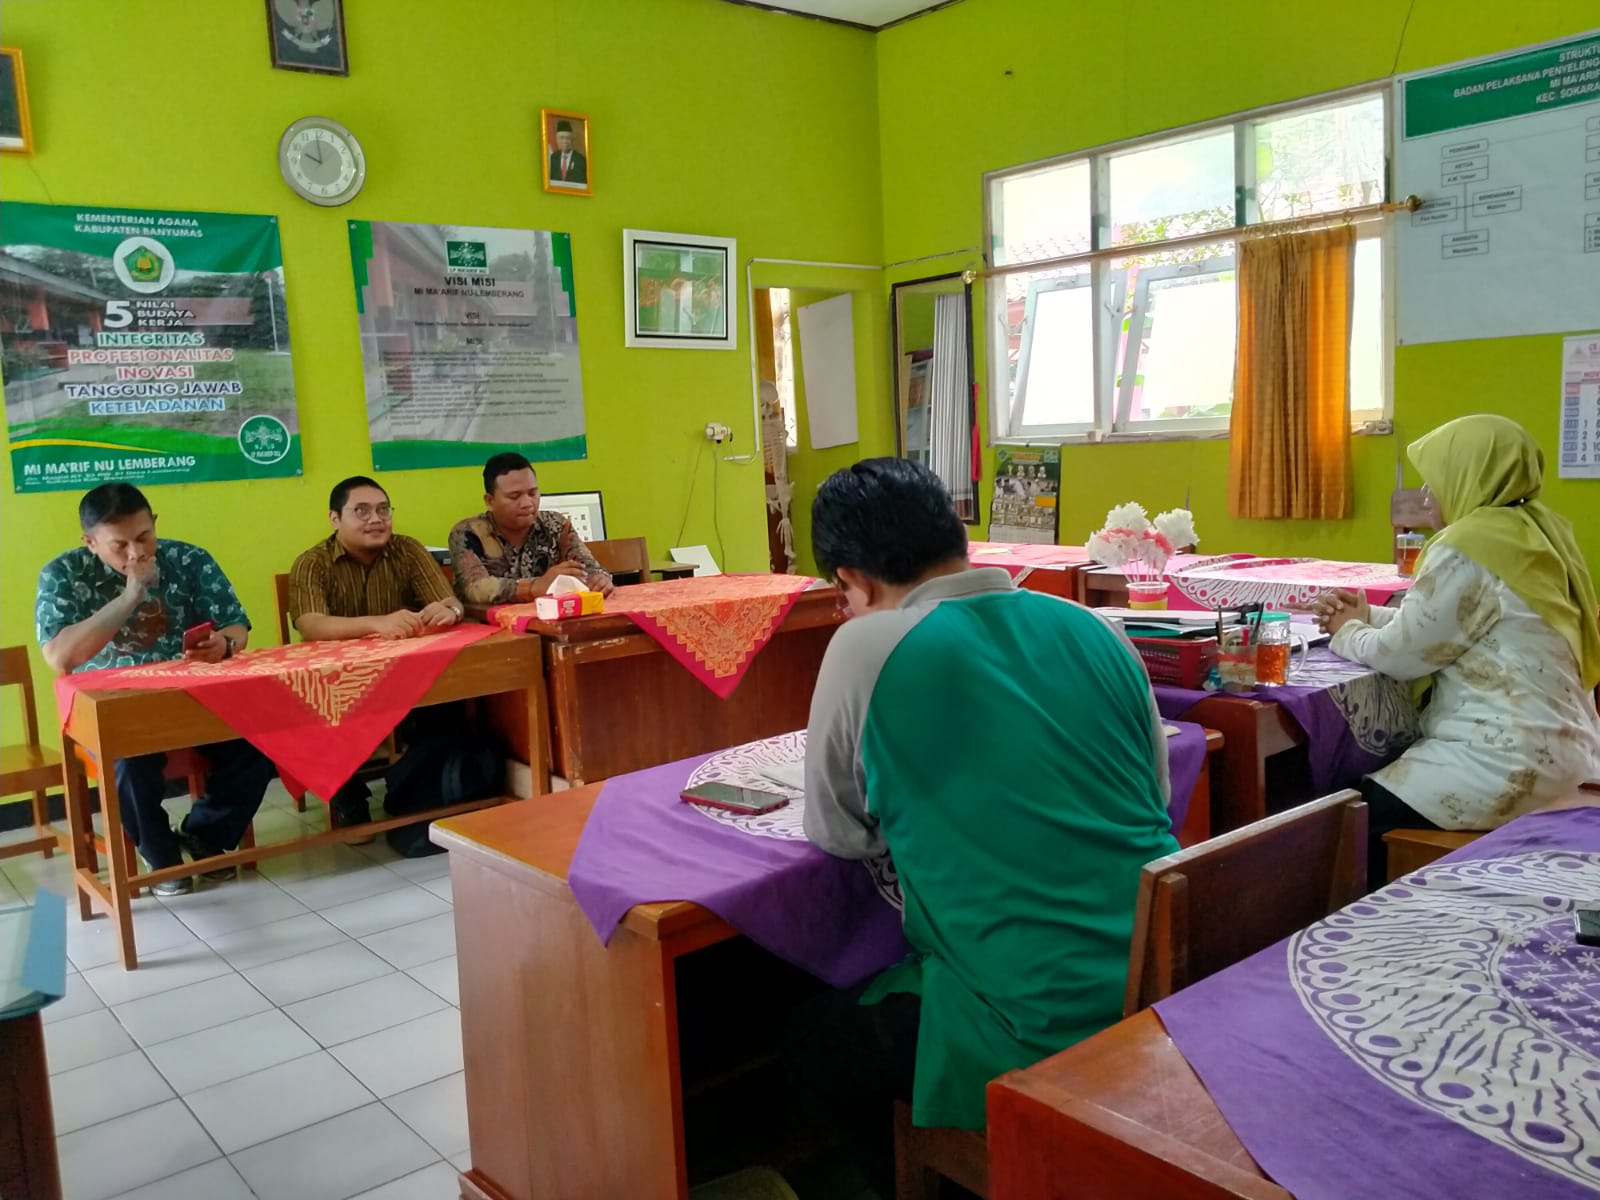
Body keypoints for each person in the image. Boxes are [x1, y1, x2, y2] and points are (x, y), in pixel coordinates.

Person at [789, 458, 1176, 1189]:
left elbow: (837, 832)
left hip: (1030, 1013)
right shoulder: (1095, 629)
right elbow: (1152, 797)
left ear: (854, 581)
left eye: (840, 596)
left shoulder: (868, 645)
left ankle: (944, 1176)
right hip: (1160, 977)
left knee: (815, 1042)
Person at [1315, 414, 1600, 888]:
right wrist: (1366, 615)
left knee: (1349, 812)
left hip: (1505, 766)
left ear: (1469, 474)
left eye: (1435, 480)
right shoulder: (1542, 533)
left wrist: (1346, 632)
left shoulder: (1468, 544)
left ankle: (1372, 929)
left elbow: (1402, 658)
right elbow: (1466, 626)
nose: (1428, 496)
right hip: (1572, 754)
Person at [35, 482, 277, 896]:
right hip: (114, 707)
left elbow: (236, 624)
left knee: (263, 741)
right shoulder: (62, 574)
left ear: (155, 525)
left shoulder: (189, 559)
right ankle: (162, 858)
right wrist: (132, 594)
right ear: (91, 543)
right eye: (120, 545)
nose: (136, 553)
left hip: (195, 695)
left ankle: (206, 836)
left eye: (145, 537)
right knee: (130, 768)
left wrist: (225, 644)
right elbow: (61, 657)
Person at [288, 475, 463, 831]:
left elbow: (447, 599)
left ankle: (416, 791)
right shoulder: (312, 563)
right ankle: (351, 801)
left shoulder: (408, 550)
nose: (376, 519)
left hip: (404, 677)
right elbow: (311, 624)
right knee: (314, 706)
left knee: (454, 699)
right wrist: (377, 624)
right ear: (335, 519)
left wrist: (451, 611)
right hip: (338, 683)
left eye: (383, 510)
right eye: (362, 511)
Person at [448, 452, 613, 607]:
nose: (527, 503)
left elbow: (589, 566)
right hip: (491, 627)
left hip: (553, 619)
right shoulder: (467, 533)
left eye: (533, 493)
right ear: (490, 501)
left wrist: (599, 578)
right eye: (514, 496)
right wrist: (534, 586)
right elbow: (475, 587)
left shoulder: (555, 524)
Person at [548, 119, 587, 186]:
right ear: (557, 139)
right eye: (562, 138)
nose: (565, 141)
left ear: (572, 140)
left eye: (568, 138)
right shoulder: (552, 158)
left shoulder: (581, 160)